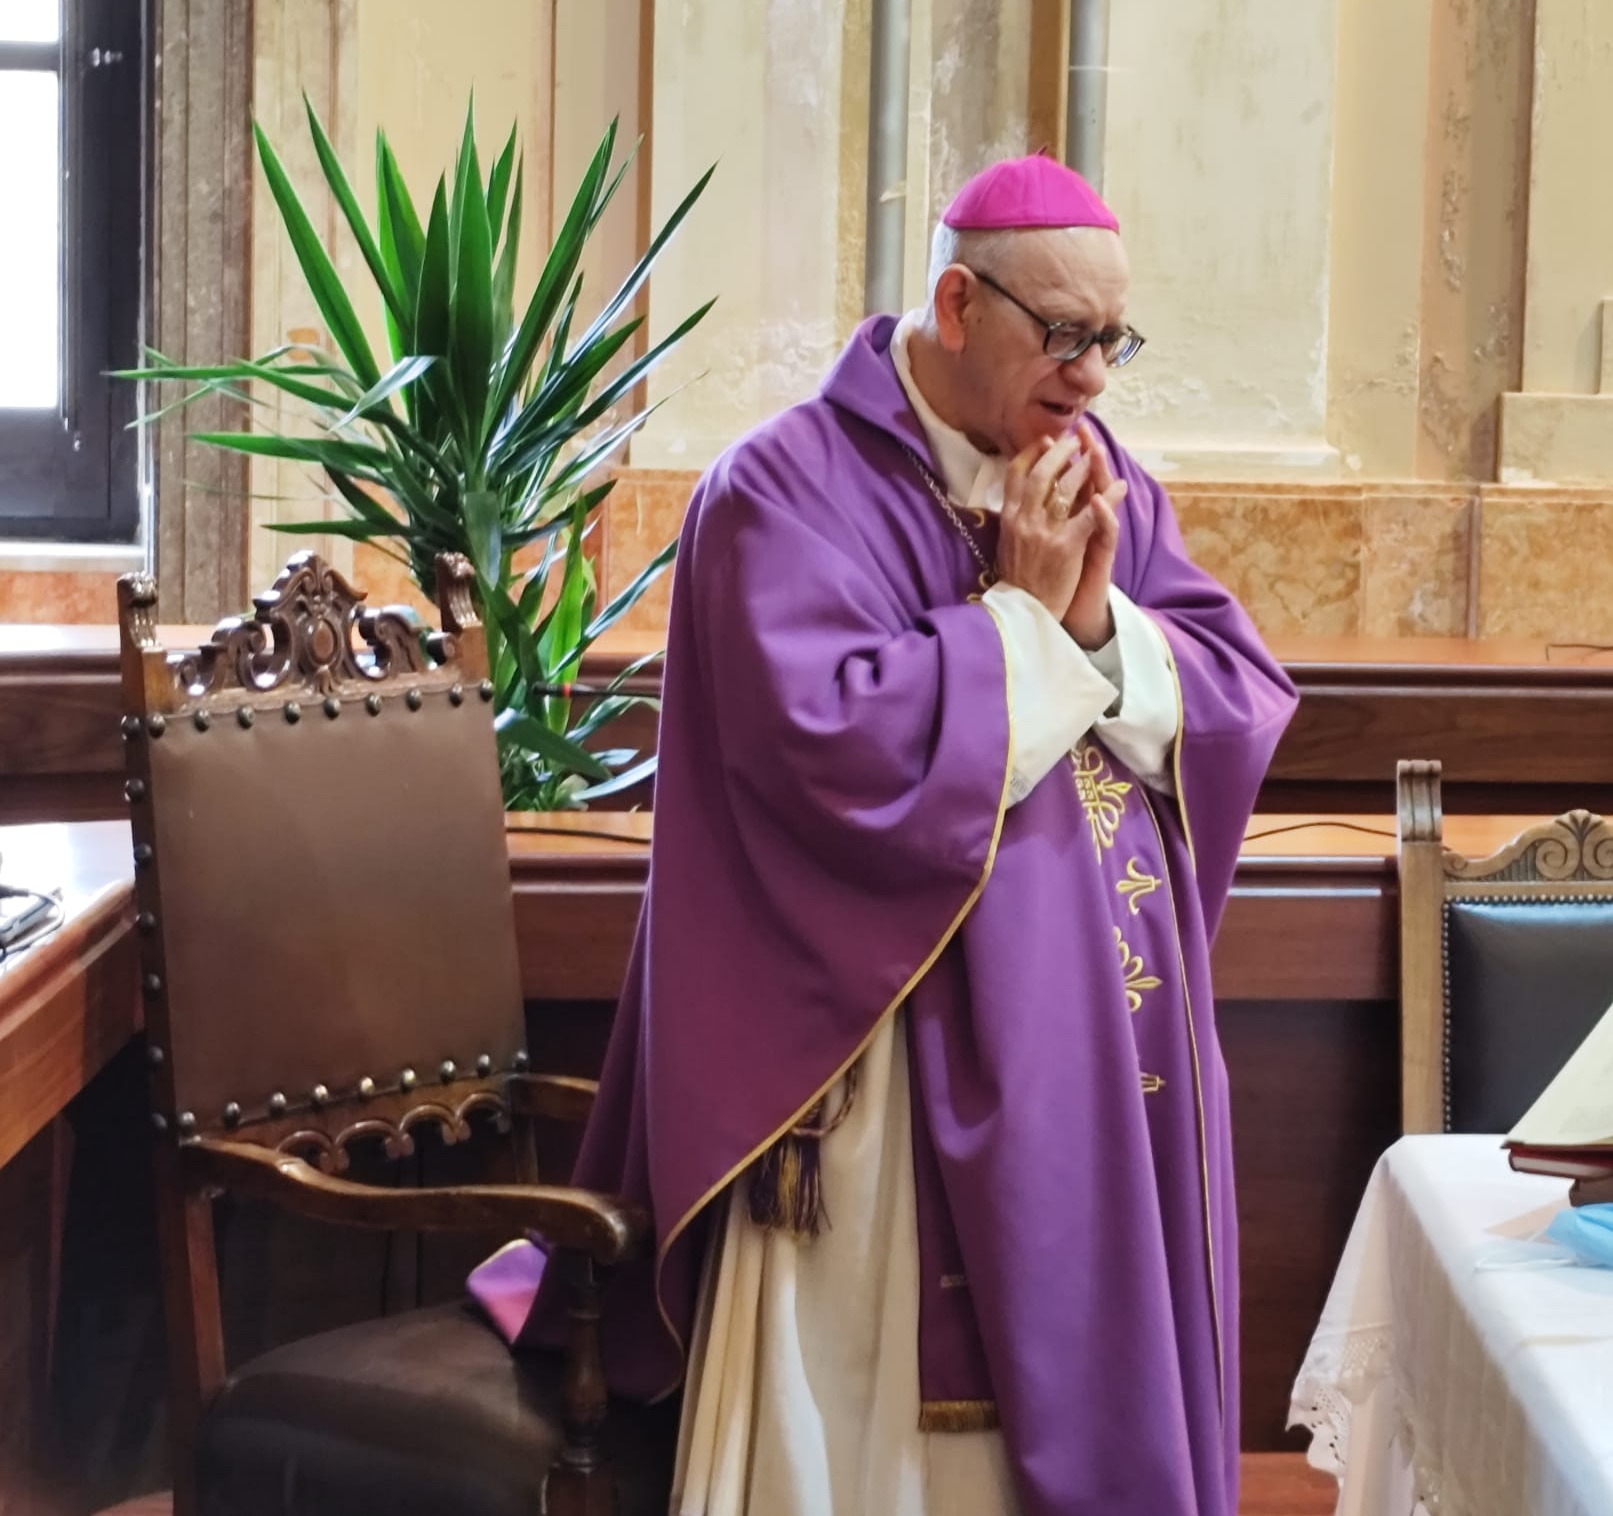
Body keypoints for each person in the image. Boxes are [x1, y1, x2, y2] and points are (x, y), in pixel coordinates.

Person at [472, 153, 1297, 1516]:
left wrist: (1092, 624)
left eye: (1114, 340)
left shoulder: (1096, 477)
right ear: (960, 303)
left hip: (1087, 1052)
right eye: (1067, 335)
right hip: (870, 1087)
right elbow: (832, 754)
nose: (1094, 376)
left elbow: (1231, 685)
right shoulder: (782, 493)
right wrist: (1023, 624)